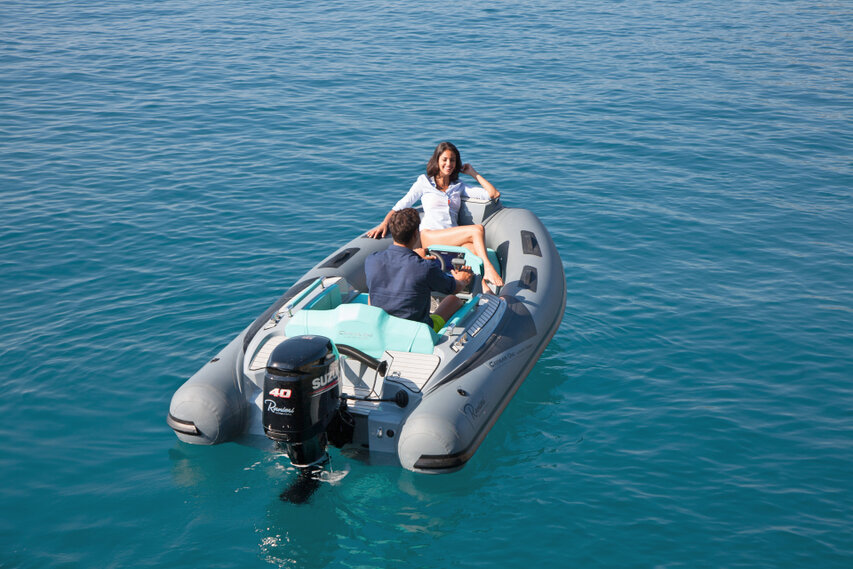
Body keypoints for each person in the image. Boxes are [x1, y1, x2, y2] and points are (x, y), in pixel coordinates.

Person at [366, 141, 504, 290]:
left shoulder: (458, 186)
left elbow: (493, 194)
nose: (448, 164)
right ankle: (489, 269)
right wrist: (384, 223)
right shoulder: (424, 182)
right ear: (437, 160)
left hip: (451, 238)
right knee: (477, 230)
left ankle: (484, 287)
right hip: (430, 235)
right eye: (445, 159)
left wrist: (472, 172)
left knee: (473, 249)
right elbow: (401, 205)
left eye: (452, 160)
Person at [365, 208, 473, 332]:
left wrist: (415, 258)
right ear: (416, 234)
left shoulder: (372, 260)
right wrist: (462, 280)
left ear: (393, 232)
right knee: (454, 300)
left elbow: (399, 269)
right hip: (417, 331)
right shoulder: (425, 267)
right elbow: (454, 289)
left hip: (383, 327)